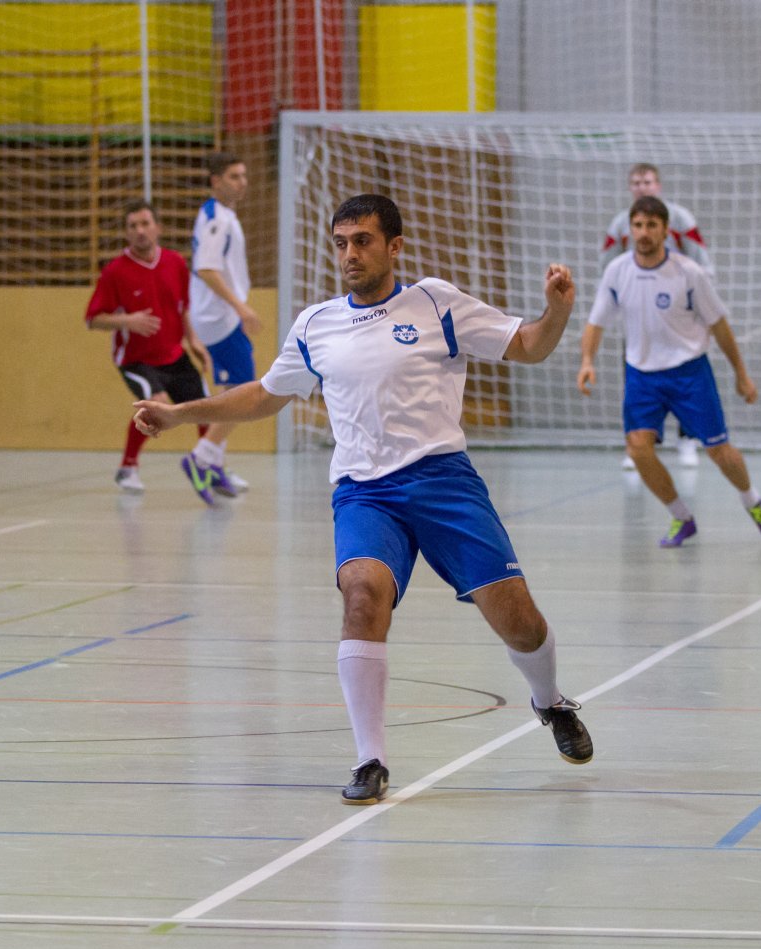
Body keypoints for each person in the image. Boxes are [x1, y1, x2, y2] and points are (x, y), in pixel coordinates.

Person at [134, 193, 593, 804]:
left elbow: (529, 345)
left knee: (519, 620)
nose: (349, 253)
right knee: (362, 597)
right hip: (365, 493)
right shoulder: (315, 325)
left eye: (362, 241)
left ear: (394, 246)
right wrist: (178, 414)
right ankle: (369, 759)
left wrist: (556, 311)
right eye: (341, 243)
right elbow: (265, 395)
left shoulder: (435, 302)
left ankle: (549, 700)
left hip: (443, 481)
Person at [578, 196, 761, 548]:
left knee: (719, 451)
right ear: (630, 229)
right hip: (641, 376)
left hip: (690, 373)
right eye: (637, 225)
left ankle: (753, 502)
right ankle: (681, 517)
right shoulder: (617, 272)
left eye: (651, 225)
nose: (643, 232)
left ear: (665, 230)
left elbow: (719, 325)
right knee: (638, 449)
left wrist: (741, 374)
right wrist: (586, 361)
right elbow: (596, 322)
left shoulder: (689, 273)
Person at [84, 201, 207, 493]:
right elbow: (93, 319)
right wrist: (128, 321)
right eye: (133, 226)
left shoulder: (175, 263)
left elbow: (183, 307)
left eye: (145, 224)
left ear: (157, 227)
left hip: (174, 355)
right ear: (126, 233)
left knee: (206, 408)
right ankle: (128, 467)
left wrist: (193, 340)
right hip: (136, 360)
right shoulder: (115, 272)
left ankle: (210, 465)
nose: (140, 231)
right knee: (156, 404)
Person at [601, 163, 712, 470]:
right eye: (636, 182)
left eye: (647, 181)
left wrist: (700, 304)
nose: (642, 187)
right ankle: (638, 444)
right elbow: (608, 266)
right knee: (637, 378)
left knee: (686, 376)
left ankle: (688, 439)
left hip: (679, 316)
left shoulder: (681, 219)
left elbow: (702, 261)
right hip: (640, 316)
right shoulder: (620, 224)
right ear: (630, 188)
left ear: (658, 185)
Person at [182, 152, 264, 503]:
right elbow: (207, 269)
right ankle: (201, 458)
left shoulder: (223, 214)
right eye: (234, 176)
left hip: (219, 315)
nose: (242, 182)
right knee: (245, 392)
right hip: (218, 317)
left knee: (236, 391)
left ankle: (214, 462)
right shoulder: (217, 219)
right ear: (215, 181)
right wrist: (241, 307)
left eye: (244, 175)